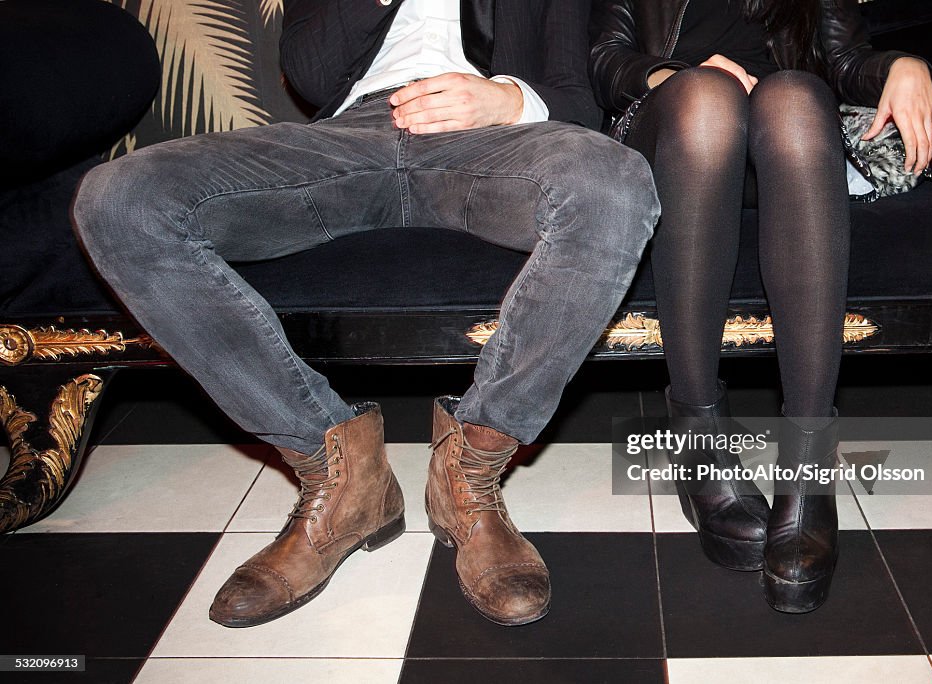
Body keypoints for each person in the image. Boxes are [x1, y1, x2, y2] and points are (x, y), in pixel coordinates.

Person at [73, 0, 660, 628]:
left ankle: (470, 471)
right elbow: (310, 74)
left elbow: (579, 98)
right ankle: (341, 475)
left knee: (613, 185)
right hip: (347, 138)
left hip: (498, 142)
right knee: (121, 198)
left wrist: (510, 100)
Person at [590, 0, 932, 613]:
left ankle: (808, 468)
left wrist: (903, 64)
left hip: (782, 143)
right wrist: (677, 73)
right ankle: (699, 444)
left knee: (798, 96)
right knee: (708, 99)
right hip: (675, 129)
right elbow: (604, 57)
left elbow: (846, 60)